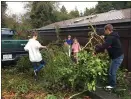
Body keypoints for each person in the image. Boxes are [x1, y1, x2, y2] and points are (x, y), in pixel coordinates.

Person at [95, 24, 124, 89]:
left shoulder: (111, 37)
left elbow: (103, 46)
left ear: (108, 30)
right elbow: (109, 39)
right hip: (116, 56)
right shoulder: (113, 36)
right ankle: (111, 83)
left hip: (117, 57)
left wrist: (95, 51)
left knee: (112, 72)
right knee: (111, 71)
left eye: (105, 31)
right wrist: (104, 37)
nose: (104, 32)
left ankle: (112, 85)